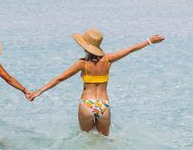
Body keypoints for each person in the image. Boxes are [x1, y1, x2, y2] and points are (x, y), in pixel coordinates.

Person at [28, 29, 164, 136]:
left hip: (87, 105)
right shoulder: (108, 59)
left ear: (85, 46)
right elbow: (130, 49)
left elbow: (59, 79)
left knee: (86, 142)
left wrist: (39, 91)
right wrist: (150, 41)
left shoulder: (82, 63)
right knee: (104, 142)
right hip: (104, 106)